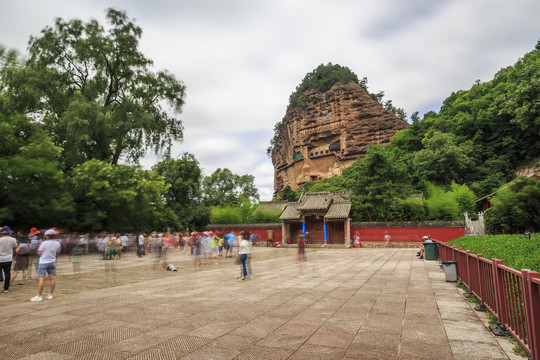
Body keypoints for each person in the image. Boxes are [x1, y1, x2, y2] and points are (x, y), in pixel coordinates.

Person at [31, 229, 61, 301]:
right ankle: (50, 294)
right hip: (52, 261)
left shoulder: (44, 243)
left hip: (43, 262)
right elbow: (57, 253)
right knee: (52, 278)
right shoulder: (57, 243)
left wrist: (43, 254)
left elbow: (39, 252)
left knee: (42, 279)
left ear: (47, 236)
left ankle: (39, 295)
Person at [0, 226, 18, 293]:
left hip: (0, 258)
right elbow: (15, 247)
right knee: (7, 273)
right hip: (8, 258)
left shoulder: (0, 239)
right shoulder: (13, 239)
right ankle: (6, 288)